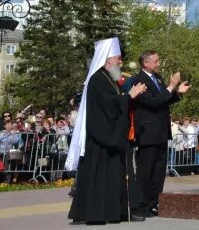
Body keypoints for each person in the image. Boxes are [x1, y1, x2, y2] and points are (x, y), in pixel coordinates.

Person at [67, 37, 148, 225]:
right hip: (101, 138)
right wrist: (129, 95)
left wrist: (128, 96)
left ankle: (113, 212)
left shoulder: (108, 78)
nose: (120, 61)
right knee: (101, 177)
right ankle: (97, 213)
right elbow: (109, 106)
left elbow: (115, 100)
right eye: (118, 58)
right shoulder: (97, 79)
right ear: (108, 58)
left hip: (108, 136)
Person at [133, 49, 190, 217]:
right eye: (156, 61)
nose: (159, 63)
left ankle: (154, 203)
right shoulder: (139, 80)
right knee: (146, 171)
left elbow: (163, 100)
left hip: (161, 132)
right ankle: (141, 206)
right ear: (146, 63)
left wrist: (177, 93)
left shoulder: (157, 78)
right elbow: (152, 102)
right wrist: (171, 86)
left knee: (158, 171)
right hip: (147, 132)